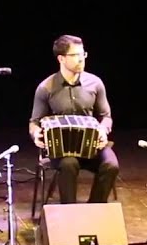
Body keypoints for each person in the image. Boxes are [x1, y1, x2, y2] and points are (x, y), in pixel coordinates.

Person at [28, 34, 119, 204]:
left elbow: (106, 117)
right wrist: (36, 134)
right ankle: (70, 214)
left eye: (82, 54)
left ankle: (94, 208)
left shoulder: (95, 83)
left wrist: (103, 129)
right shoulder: (46, 87)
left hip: (92, 145)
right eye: (75, 55)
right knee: (69, 164)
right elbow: (34, 122)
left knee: (111, 165)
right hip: (62, 149)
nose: (81, 59)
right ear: (61, 58)